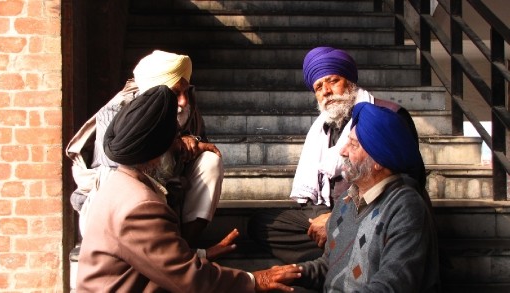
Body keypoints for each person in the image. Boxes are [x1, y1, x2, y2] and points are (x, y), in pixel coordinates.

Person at [76, 85, 303, 292]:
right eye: (174, 140)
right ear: (159, 153)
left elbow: (152, 256)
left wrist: (200, 254)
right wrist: (254, 280)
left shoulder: (120, 183)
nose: (179, 149)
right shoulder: (141, 205)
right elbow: (191, 279)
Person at [247, 47, 431, 263]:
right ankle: (341, 255)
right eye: (318, 87)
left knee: (360, 233)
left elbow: (407, 181)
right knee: (262, 224)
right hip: (332, 214)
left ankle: (334, 260)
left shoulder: (386, 115)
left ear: (350, 82)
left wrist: (337, 220)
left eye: (333, 81)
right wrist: (322, 218)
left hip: (373, 213)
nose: (325, 91)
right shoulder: (323, 128)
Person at [67, 50, 222, 247]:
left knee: (210, 161)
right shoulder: (117, 112)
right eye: (175, 93)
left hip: (169, 190)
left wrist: (193, 140)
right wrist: (174, 144)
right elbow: (122, 165)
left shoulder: (186, 107)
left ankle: (186, 247)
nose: (184, 101)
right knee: (135, 176)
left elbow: (198, 143)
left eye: (186, 91)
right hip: (120, 201)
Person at [293, 102, 440, 292]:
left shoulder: (406, 207)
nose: (342, 151)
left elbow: (391, 286)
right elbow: (329, 266)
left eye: (353, 145)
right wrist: (292, 273)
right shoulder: (346, 201)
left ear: (378, 159)